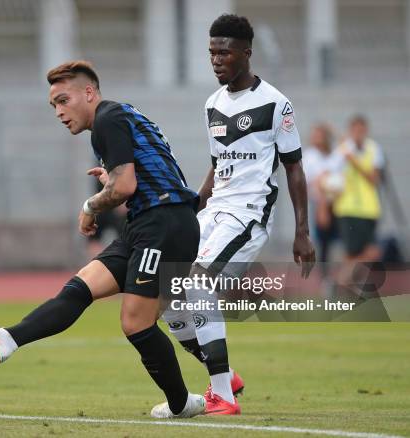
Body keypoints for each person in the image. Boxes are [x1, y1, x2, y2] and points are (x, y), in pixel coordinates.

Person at [0, 61, 207, 418]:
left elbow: (126, 185)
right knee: (80, 286)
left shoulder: (107, 119)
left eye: (63, 100)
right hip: (147, 222)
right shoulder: (117, 117)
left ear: (89, 93)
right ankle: (8, 338)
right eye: (53, 105)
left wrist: (91, 205)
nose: (58, 111)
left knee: (136, 322)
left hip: (165, 223)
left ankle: (184, 402)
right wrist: (112, 183)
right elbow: (143, 174)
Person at [160, 14, 315, 415]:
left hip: (247, 214)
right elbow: (218, 166)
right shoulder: (212, 104)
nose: (216, 60)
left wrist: (302, 232)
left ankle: (223, 397)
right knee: (163, 298)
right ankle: (226, 377)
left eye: (224, 52)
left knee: (198, 284)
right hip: (214, 211)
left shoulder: (275, 103)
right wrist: (192, 206)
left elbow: (294, 168)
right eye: (211, 52)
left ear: (246, 53)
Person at [331, 116, 384, 294]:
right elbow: (331, 177)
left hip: (369, 209)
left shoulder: (373, 148)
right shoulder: (341, 151)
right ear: (350, 131)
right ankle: (345, 285)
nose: (359, 134)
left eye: (362, 130)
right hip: (348, 209)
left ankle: (342, 282)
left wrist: (353, 160)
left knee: (371, 252)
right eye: (355, 130)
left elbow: (374, 179)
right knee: (352, 252)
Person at [303, 123, 339, 276]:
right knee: (323, 242)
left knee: (340, 240)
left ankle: (346, 276)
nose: (315, 138)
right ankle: (325, 277)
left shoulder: (333, 154)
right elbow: (307, 181)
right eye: (314, 135)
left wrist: (332, 130)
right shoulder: (309, 155)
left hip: (337, 202)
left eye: (319, 134)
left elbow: (346, 145)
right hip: (319, 203)